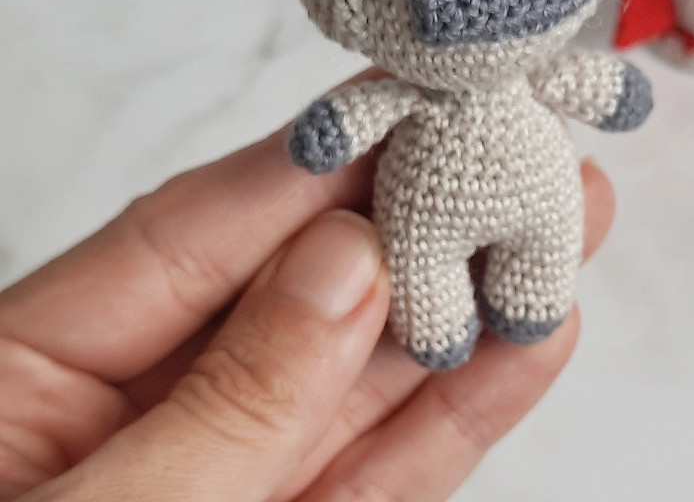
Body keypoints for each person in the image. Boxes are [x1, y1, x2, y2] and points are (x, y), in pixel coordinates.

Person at [0, 71, 616, 501]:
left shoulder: (516, 75)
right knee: (427, 272)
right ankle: (445, 326)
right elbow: (350, 121)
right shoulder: (413, 88)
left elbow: (590, 85)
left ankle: (519, 301)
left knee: (543, 245)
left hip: (529, 197)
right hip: (434, 216)